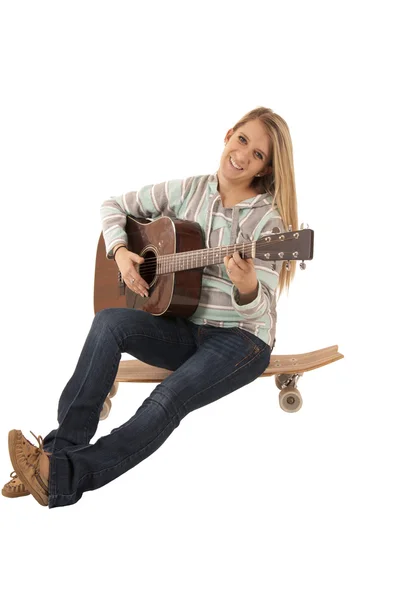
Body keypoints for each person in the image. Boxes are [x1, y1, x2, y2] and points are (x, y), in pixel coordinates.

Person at [4, 106, 299, 508]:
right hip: (186, 324)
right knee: (109, 322)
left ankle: (60, 474)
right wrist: (122, 251)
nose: (243, 155)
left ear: (265, 169)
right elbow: (113, 206)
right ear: (228, 134)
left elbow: (257, 308)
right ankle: (56, 454)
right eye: (242, 140)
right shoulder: (187, 190)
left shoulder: (269, 226)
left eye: (258, 154)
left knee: (167, 398)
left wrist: (246, 287)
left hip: (241, 341)